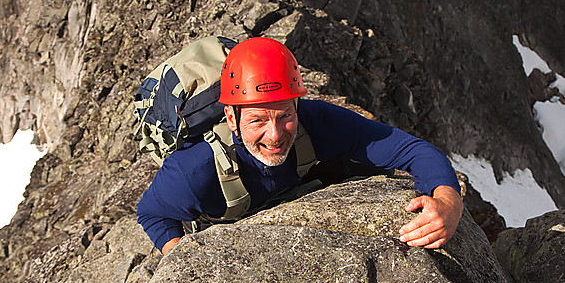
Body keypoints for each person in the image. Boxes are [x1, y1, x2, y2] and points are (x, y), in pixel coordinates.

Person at [137, 37, 464, 255]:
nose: (275, 134)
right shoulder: (193, 171)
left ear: (297, 105)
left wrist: (448, 203)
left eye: (285, 116)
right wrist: (184, 260)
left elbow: (412, 150)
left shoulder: (315, 121)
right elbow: (152, 213)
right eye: (257, 121)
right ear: (231, 119)